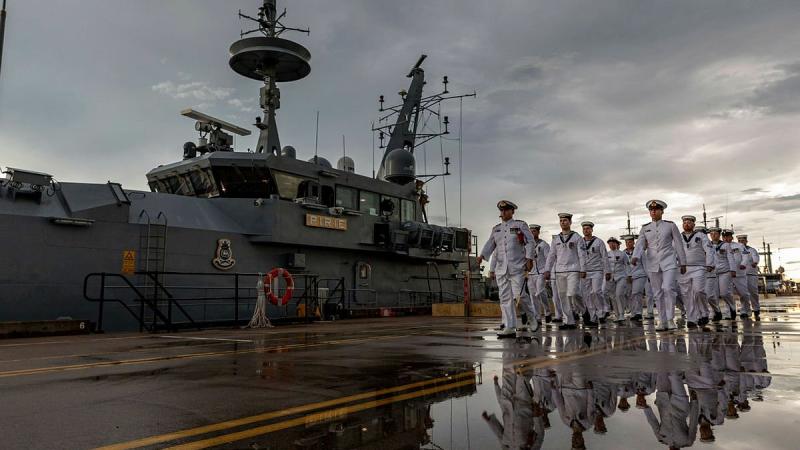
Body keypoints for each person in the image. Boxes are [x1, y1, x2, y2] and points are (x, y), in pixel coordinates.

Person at [477, 200, 535, 337]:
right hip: (501, 268)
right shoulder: (496, 229)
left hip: (517, 266)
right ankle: (510, 326)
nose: (503, 213)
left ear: (512, 211)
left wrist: (529, 259)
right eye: (501, 211)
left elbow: (530, 242)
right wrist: (482, 256)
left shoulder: (520, 225)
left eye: (506, 210)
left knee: (520, 295)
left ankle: (531, 315)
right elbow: (490, 244)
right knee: (505, 298)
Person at [631, 200, 688, 331]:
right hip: (653, 263)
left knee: (668, 288)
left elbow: (679, 244)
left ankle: (670, 319)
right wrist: (635, 256)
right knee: (657, 293)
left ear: (662, 211)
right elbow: (640, 244)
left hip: (669, 262)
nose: (654, 211)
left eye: (656, 209)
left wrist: (683, 262)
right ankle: (662, 321)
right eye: (651, 210)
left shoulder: (670, 225)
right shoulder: (645, 228)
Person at [544, 213, 587, 330]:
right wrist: (547, 269)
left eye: (565, 220)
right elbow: (551, 255)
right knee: (563, 296)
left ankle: (583, 310)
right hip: (560, 270)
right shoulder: (556, 239)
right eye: (561, 221)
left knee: (573, 293)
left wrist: (583, 269)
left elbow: (582, 255)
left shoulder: (577, 237)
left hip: (574, 269)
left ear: (570, 222)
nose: (563, 222)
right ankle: (569, 321)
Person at [678, 215, 715, 328]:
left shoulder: (701, 235)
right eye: (685, 222)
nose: (687, 224)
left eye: (689, 222)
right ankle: (692, 318)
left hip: (699, 267)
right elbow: (672, 251)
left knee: (698, 291)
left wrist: (709, 263)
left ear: (693, 224)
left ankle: (704, 313)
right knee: (687, 295)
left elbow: (709, 249)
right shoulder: (678, 237)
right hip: (683, 268)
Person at [579, 221, 608, 327]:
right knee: (587, 295)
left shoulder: (599, 242)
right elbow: (578, 257)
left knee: (596, 292)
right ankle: (593, 316)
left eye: (588, 228)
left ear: (592, 230)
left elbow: (604, 257)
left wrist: (607, 271)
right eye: (584, 229)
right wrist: (580, 270)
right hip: (584, 272)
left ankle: (601, 313)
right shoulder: (580, 242)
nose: (586, 230)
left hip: (597, 271)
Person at [708, 227, 736, 321]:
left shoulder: (725, 245)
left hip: (725, 272)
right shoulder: (707, 245)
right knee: (712, 295)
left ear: (719, 235)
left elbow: (730, 257)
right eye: (711, 234)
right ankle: (717, 312)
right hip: (713, 273)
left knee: (724, 293)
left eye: (715, 234)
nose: (713, 235)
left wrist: (733, 270)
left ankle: (732, 307)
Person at [528, 224, 552, 324]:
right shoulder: (527, 245)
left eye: (534, 231)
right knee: (533, 295)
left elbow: (549, 259)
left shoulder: (544, 245)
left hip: (541, 272)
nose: (532, 233)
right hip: (531, 273)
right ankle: (537, 317)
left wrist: (547, 271)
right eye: (530, 231)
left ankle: (547, 311)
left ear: (538, 232)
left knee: (540, 292)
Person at [605, 237, 629, 323]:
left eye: (613, 243)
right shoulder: (606, 254)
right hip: (610, 278)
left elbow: (627, 265)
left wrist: (628, 275)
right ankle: (617, 314)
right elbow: (604, 265)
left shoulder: (622, 254)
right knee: (613, 297)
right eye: (610, 243)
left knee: (619, 294)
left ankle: (622, 314)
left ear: (617, 244)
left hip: (621, 276)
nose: (612, 244)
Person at [737, 234, 761, 320]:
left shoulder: (751, 250)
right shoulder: (736, 251)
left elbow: (756, 257)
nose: (741, 242)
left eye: (743, 240)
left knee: (753, 292)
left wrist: (755, 263)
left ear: (746, 241)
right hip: (741, 275)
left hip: (751, 274)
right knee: (743, 294)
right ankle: (745, 311)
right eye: (739, 241)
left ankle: (756, 308)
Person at [622, 234, 646, 322]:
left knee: (637, 293)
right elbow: (623, 266)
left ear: (633, 242)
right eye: (627, 242)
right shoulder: (622, 253)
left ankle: (639, 313)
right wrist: (627, 276)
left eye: (630, 242)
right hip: (628, 276)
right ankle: (633, 312)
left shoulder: (640, 251)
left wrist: (648, 275)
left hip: (640, 275)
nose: (628, 244)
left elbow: (645, 263)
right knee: (630, 295)